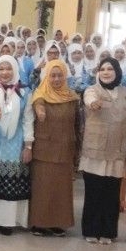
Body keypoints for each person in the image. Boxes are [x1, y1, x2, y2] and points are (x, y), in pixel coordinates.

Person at [80, 57, 126, 245]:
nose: (106, 72)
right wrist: (93, 103)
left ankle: (108, 231)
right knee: (94, 193)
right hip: (95, 152)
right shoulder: (92, 90)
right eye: (102, 69)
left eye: (110, 69)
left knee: (111, 194)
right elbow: (89, 99)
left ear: (117, 72)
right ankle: (91, 230)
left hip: (117, 153)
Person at [0, 55, 34, 235]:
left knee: (10, 181)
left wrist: (28, 145)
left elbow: (27, 119)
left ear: (15, 70)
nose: (4, 72)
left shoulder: (25, 91)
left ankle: (6, 222)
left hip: (15, 142)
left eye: (8, 68)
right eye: (1, 69)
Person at [29, 59, 80, 237]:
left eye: (59, 75)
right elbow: (38, 106)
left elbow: (78, 125)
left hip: (66, 148)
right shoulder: (40, 94)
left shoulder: (72, 97)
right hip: (44, 150)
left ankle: (59, 223)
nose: (56, 79)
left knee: (61, 189)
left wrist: (77, 152)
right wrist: (40, 112)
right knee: (43, 188)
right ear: (47, 76)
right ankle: (39, 223)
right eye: (52, 75)